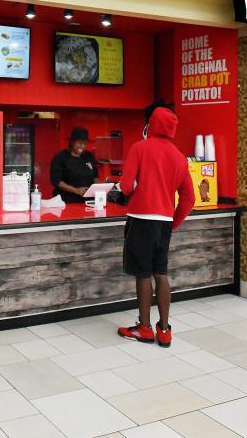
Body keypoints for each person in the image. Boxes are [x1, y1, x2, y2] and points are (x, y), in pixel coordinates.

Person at [116, 105, 195, 348]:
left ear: (151, 124)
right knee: (160, 273)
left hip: (141, 219)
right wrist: (173, 223)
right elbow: (189, 199)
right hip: (164, 223)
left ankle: (144, 329)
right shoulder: (179, 157)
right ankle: (164, 330)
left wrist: (123, 189)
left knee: (143, 273)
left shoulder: (139, 148)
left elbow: (126, 186)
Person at [49, 127, 100, 203]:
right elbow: (56, 181)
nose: (82, 146)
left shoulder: (89, 156)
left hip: (88, 202)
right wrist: (75, 190)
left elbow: (95, 176)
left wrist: (97, 189)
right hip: (66, 202)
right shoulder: (61, 157)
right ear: (72, 142)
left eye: (85, 144)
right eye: (79, 143)